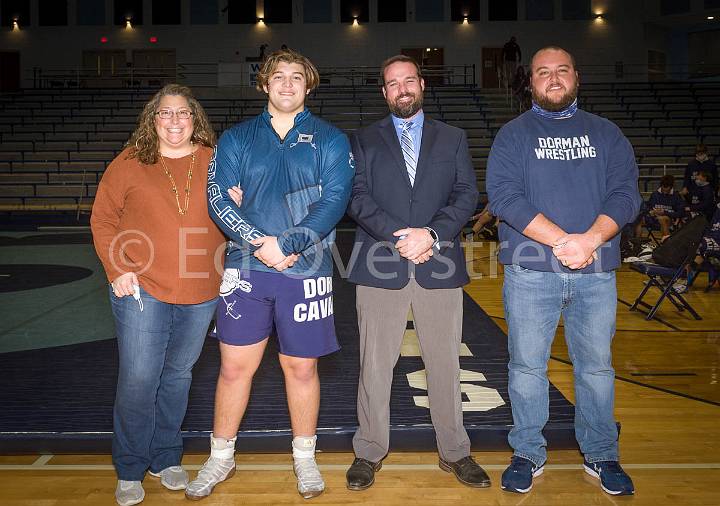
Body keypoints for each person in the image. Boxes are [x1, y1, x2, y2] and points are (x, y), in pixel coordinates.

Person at [184, 49, 354, 500]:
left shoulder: (331, 140)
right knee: (234, 368)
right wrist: (263, 244)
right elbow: (218, 200)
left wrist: (289, 244)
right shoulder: (237, 138)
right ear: (263, 84)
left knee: (301, 368)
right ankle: (221, 458)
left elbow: (334, 201)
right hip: (246, 267)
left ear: (308, 86)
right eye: (278, 77)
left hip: (307, 268)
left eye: (297, 77)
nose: (286, 84)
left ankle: (305, 458)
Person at [486, 46, 641, 496]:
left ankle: (601, 453)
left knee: (596, 368)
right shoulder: (513, 136)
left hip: (595, 272)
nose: (553, 79)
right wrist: (562, 241)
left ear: (577, 77)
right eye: (542, 73)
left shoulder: (607, 133)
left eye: (561, 71)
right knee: (527, 367)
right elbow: (505, 197)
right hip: (532, 272)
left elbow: (626, 195)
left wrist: (590, 240)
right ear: (530, 82)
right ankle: (528, 452)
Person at [345, 55, 489, 491]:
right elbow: (356, 196)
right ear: (383, 91)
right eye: (393, 83)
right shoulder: (363, 140)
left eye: (409, 80)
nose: (402, 89)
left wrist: (431, 233)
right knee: (374, 364)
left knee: (445, 362)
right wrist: (397, 234)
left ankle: (455, 451)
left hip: (438, 260)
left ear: (422, 84)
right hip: (379, 261)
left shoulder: (454, 138)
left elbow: (467, 194)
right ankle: (369, 451)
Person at [90, 84, 225, 506]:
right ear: (153, 120)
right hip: (141, 288)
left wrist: (239, 202)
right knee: (138, 378)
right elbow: (102, 220)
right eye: (164, 114)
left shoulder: (215, 161)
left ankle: (166, 457)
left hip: (201, 289)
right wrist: (117, 268)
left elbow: (240, 215)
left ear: (195, 120)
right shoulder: (130, 162)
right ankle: (130, 466)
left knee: (177, 377)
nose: (173, 121)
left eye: (182, 113)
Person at [634, 174, 686, 239]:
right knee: (637, 219)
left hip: (669, 220)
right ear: (661, 186)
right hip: (653, 218)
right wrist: (651, 211)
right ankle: (637, 242)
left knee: (662, 219)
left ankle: (666, 243)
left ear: (671, 187)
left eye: (667, 191)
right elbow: (648, 208)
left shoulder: (676, 196)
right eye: (663, 190)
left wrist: (664, 212)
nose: (664, 193)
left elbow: (681, 213)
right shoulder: (655, 195)